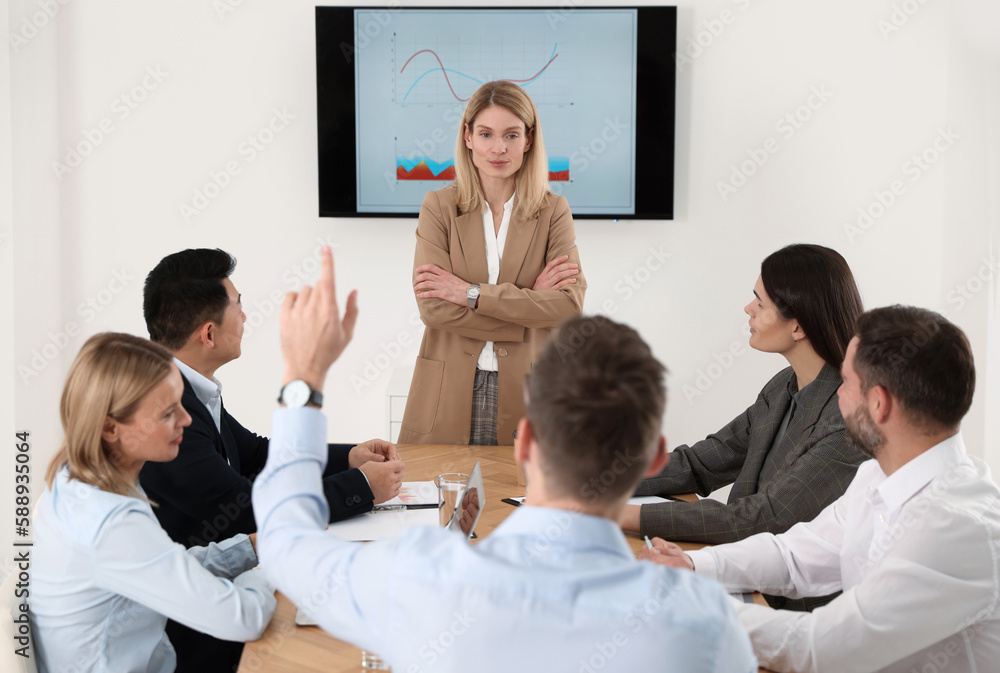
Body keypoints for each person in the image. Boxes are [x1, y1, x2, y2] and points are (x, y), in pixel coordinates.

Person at [252, 247, 757, 672]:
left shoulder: (420, 580)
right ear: (653, 458)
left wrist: (304, 378)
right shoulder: (705, 623)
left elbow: (284, 541)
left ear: (524, 443)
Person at [643, 306, 1000, 672]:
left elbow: (822, 650)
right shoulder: (879, 476)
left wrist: (699, 608)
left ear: (878, 404)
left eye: (845, 383)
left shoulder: (953, 526)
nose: (837, 396)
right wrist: (694, 564)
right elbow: (795, 557)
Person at [137, 248, 402, 672]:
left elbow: (258, 455)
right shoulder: (165, 412)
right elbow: (246, 507)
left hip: (228, 582)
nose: (245, 317)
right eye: (239, 306)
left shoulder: (188, 389)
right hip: (196, 630)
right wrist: (362, 488)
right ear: (208, 334)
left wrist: (349, 458)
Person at [620, 244, 867, 610]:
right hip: (743, 577)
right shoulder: (783, 387)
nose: (748, 309)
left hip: (793, 609)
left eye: (760, 302)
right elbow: (700, 463)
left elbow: (764, 519)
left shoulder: (846, 419)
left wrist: (619, 513)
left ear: (798, 325)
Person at [31, 333, 275, 673]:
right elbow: (244, 619)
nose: (187, 420)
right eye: (167, 413)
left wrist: (253, 548)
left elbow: (166, 565)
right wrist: (273, 568)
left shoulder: (77, 479)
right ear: (110, 428)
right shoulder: (112, 522)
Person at [400, 80, 586, 446]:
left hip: (529, 391)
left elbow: (567, 306)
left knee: (522, 500)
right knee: (440, 498)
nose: (498, 148)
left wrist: (468, 293)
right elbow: (434, 308)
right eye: (486, 134)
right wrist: (529, 302)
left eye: (512, 135)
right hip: (448, 387)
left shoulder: (553, 211)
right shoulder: (438, 206)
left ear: (529, 140)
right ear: (467, 137)